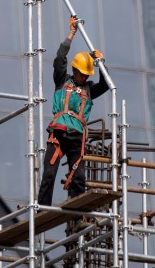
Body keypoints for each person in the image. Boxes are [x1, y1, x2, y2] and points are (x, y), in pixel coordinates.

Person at [37, 14, 109, 207]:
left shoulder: (89, 90)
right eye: (82, 74)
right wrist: (71, 34)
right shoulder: (62, 81)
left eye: (87, 75)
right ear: (75, 70)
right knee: (49, 174)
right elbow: (60, 58)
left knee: (78, 178)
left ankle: (77, 215)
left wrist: (101, 64)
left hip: (77, 137)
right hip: (59, 134)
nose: (85, 78)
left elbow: (106, 84)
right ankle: (43, 209)